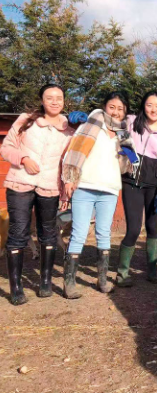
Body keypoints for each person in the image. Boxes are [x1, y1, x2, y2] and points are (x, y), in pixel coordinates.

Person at [1, 83, 74, 305]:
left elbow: (69, 162)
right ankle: (16, 286)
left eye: (59, 98)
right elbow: (6, 147)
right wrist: (23, 159)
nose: (54, 101)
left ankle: (45, 281)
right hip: (20, 184)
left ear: (64, 101)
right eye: (49, 97)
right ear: (42, 100)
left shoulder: (69, 128)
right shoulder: (26, 120)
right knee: (18, 232)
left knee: (48, 233)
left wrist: (66, 188)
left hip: (50, 186)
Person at [61, 92, 130, 298]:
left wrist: (127, 157)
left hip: (109, 188)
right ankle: (70, 282)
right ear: (104, 107)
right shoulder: (90, 125)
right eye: (112, 107)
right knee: (80, 232)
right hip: (86, 185)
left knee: (103, 232)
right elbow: (74, 150)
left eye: (120, 108)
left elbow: (126, 166)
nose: (116, 111)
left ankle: (102, 280)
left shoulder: (124, 134)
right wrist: (70, 179)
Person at [117, 91, 157, 287]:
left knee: (153, 228)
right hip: (131, 182)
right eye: (150, 105)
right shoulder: (131, 122)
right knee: (133, 229)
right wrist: (134, 157)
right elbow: (119, 135)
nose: (154, 109)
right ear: (143, 106)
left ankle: (152, 272)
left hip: (153, 185)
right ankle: (122, 273)